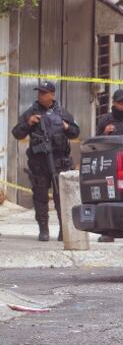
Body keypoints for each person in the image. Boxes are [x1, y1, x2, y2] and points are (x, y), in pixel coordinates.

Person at [11, 80, 80, 241]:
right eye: (39, 92)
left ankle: (64, 230)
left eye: (44, 92)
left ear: (52, 94)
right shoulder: (31, 112)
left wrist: (66, 127)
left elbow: (75, 132)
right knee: (40, 197)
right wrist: (28, 124)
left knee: (60, 197)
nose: (40, 95)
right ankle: (43, 230)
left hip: (59, 162)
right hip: (39, 164)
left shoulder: (62, 113)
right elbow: (16, 133)